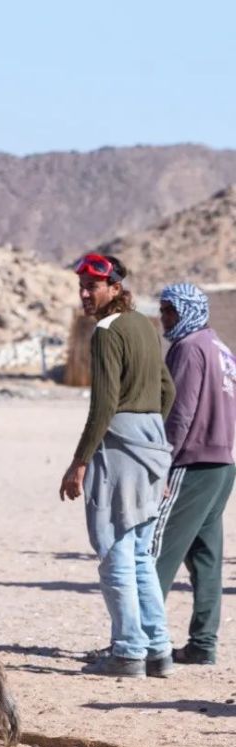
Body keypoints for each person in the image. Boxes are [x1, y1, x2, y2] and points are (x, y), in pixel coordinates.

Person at [59, 253, 176, 678]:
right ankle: (158, 649)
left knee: (115, 551)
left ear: (114, 288)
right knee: (140, 552)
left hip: (120, 446)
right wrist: (152, 438)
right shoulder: (144, 326)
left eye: (93, 286)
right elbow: (167, 390)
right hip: (151, 445)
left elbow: (104, 404)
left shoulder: (107, 332)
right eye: (82, 287)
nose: (86, 295)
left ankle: (128, 651)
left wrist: (80, 461)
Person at [152, 283, 236, 665]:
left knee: (157, 552)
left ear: (186, 310)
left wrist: (161, 464)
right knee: (206, 557)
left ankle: (142, 644)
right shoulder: (219, 347)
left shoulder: (188, 348)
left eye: (169, 310)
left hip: (192, 462)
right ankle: (203, 643)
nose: (164, 318)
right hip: (223, 464)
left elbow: (180, 412)